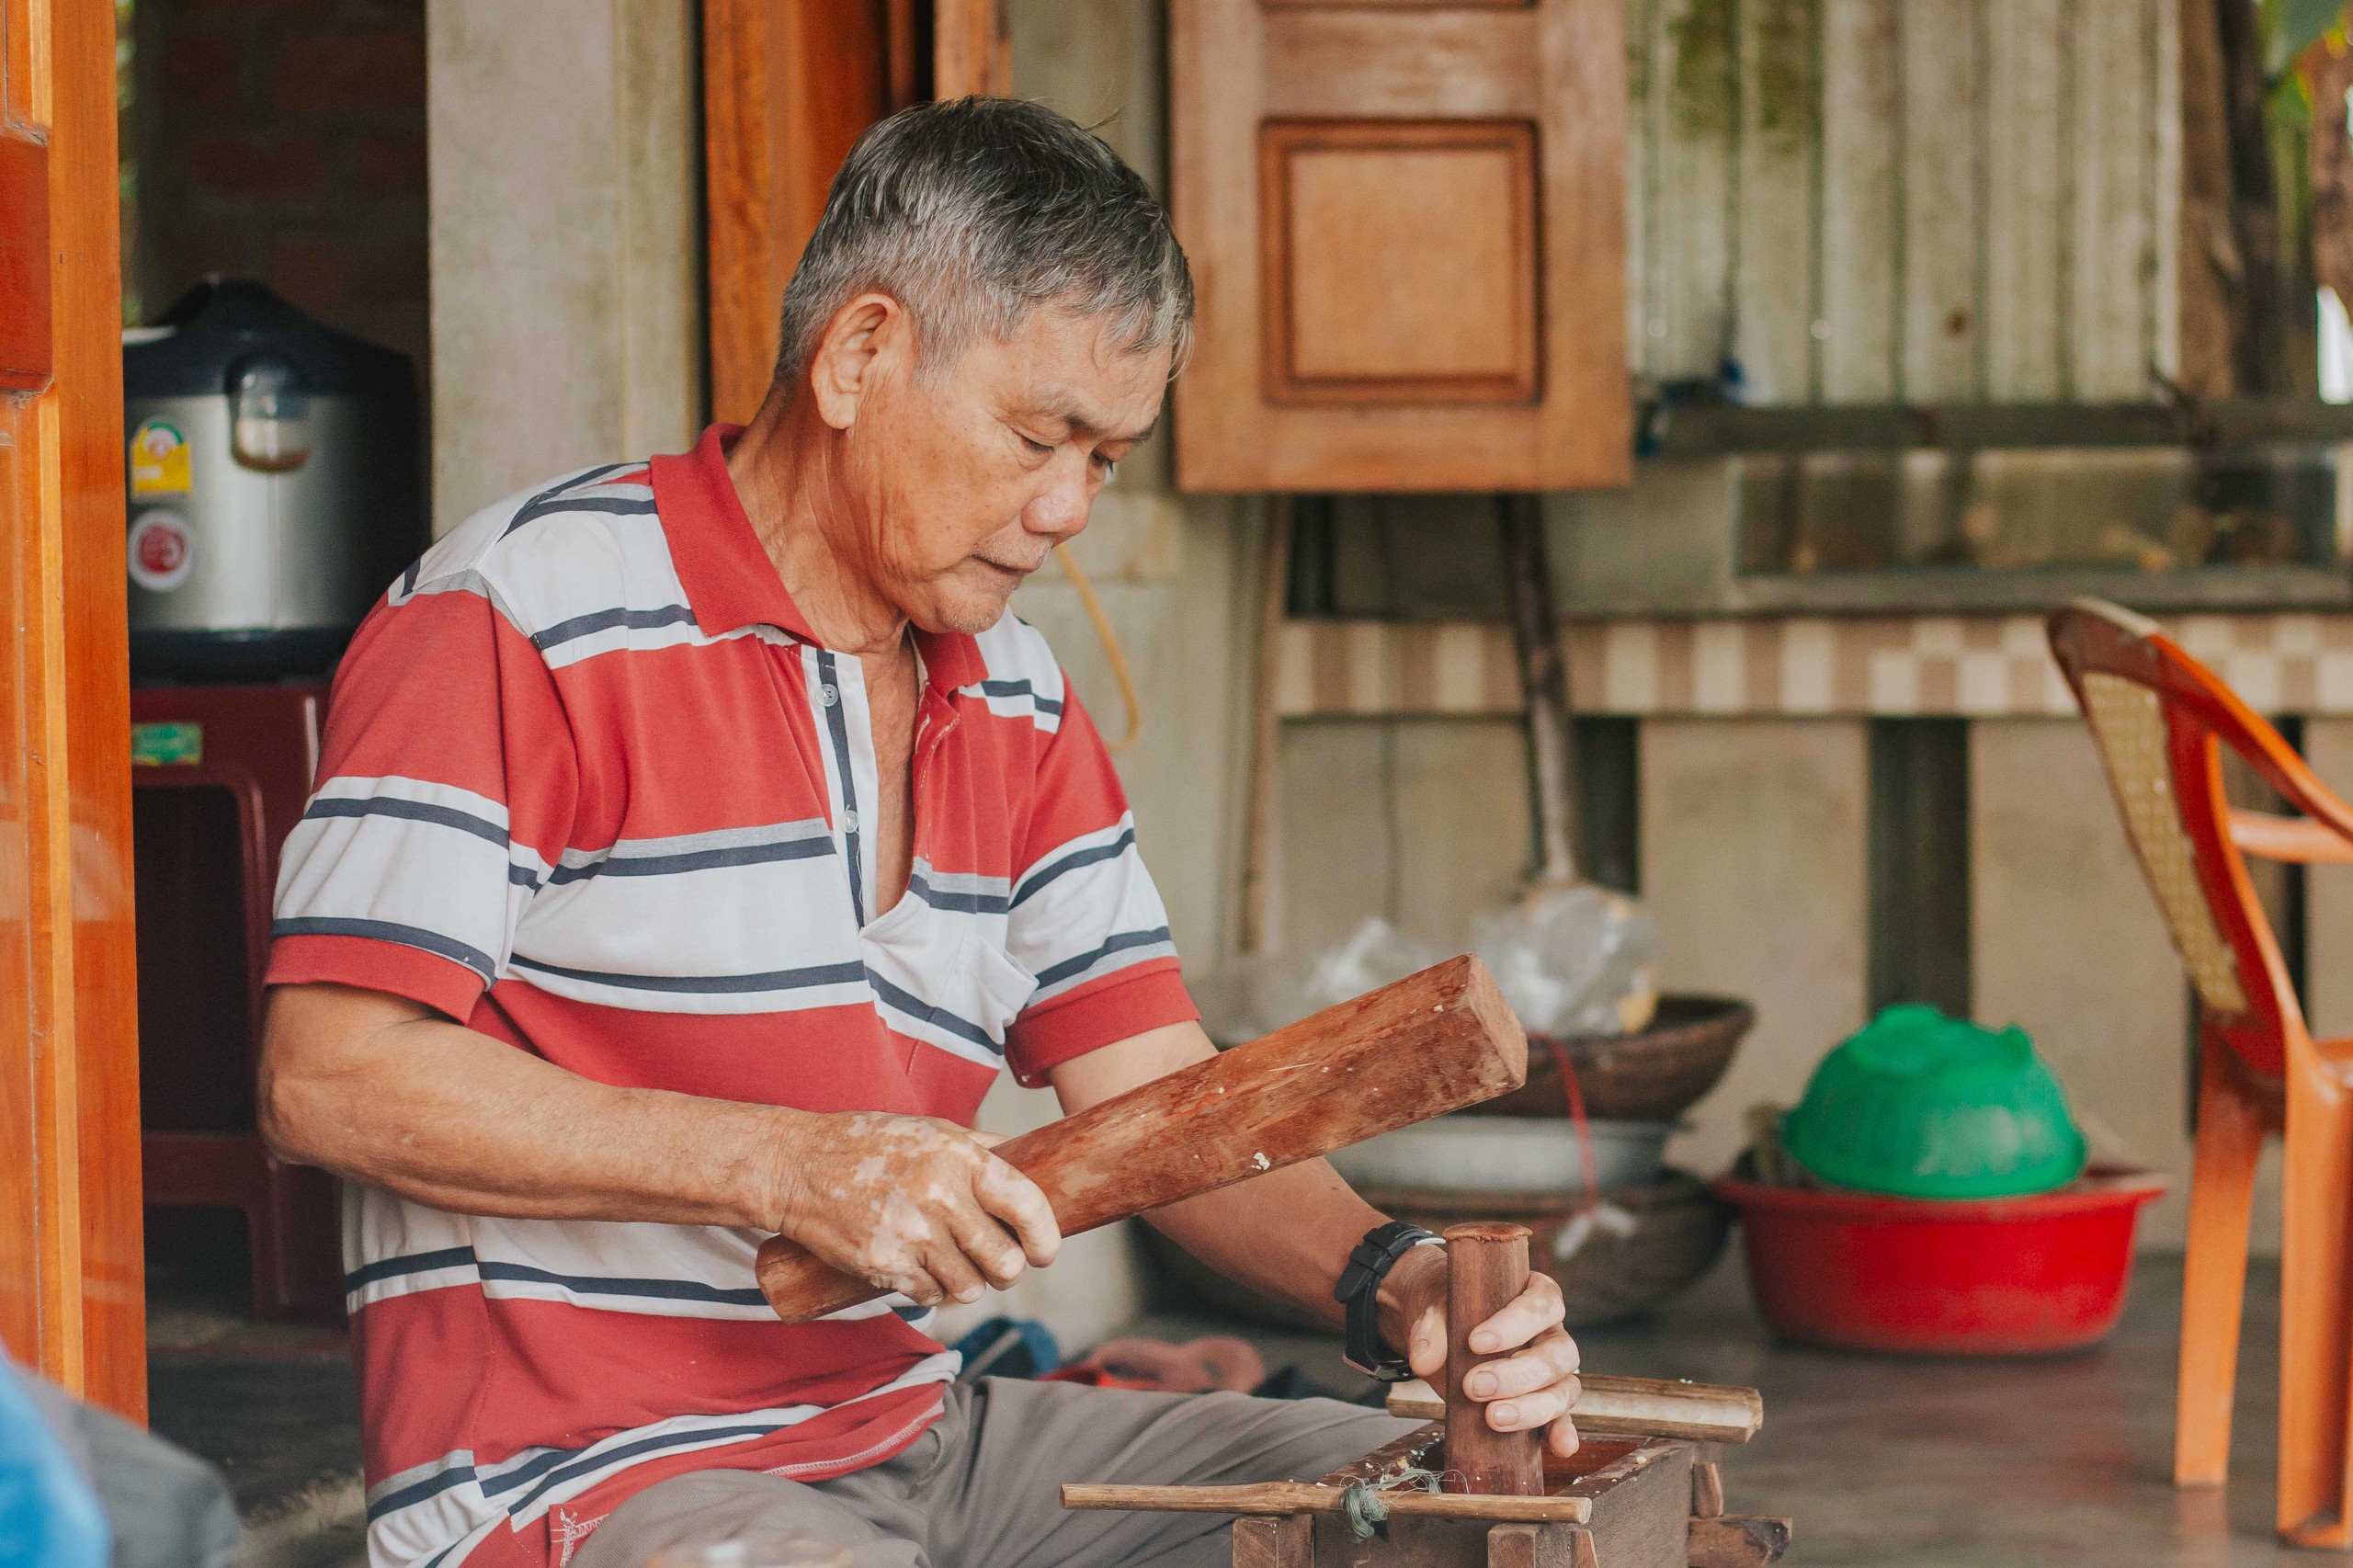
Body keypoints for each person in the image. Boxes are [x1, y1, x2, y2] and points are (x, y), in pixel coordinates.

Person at [257, 97, 1583, 1568]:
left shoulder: (1012, 690)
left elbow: (1161, 1100)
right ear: (860, 353)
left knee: (1487, 1526)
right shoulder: (520, 617)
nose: (1069, 505)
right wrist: (793, 1167)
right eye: (1036, 436)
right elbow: (331, 1075)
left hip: (920, 1436)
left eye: (1109, 458)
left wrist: (1390, 1279)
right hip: (591, 1478)